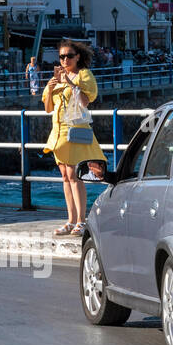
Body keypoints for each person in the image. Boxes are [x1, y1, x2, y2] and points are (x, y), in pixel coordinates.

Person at [41, 39, 106, 237]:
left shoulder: (83, 75)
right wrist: (51, 87)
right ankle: (70, 220)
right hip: (59, 132)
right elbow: (48, 108)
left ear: (78, 56)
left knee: (75, 176)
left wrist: (69, 82)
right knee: (65, 176)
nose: (65, 60)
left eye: (69, 55)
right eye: (61, 56)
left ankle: (81, 220)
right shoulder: (57, 78)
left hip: (75, 131)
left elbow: (85, 102)